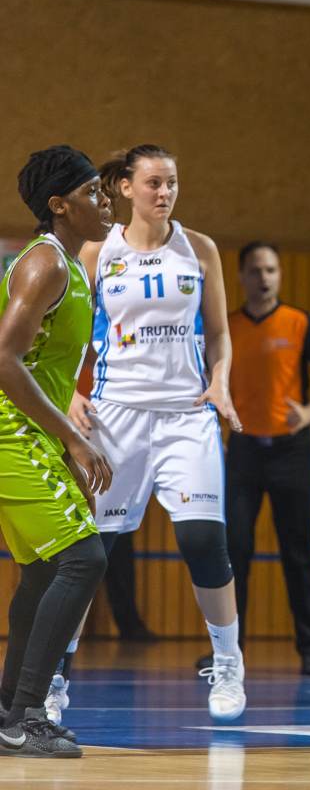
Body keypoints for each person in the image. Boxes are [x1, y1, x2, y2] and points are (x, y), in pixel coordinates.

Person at [62, 145, 246, 723]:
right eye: (153, 183)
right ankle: (54, 680)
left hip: (186, 416)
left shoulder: (200, 249)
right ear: (124, 187)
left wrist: (220, 382)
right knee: (92, 555)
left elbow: (219, 333)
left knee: (203, 542)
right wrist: (69, 393)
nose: (164, 193)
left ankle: (228, 663)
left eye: (172, 183)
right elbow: (66, 331)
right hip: (114, 418)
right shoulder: (98, 251)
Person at [0, 146, 114, 757]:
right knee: (83, 559)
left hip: (29, 431)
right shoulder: (44, 263)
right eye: (93, 191)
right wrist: (73, 436)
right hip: (9, 431)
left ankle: (6, 714)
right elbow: (4, 359)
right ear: (59, 204)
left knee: (46, 570)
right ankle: (26, 715)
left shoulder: (71, 265)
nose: (105, 201)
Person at [219, 240, 310, 677]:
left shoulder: (300, 323)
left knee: (298, 551)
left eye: (271, 270)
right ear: (241, 276)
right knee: (235, 551)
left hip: (291, 451)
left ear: (280, 275)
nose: (264, 278)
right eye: (256, 270)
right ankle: (229, 650)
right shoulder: (226, 327)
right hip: (243, 451)